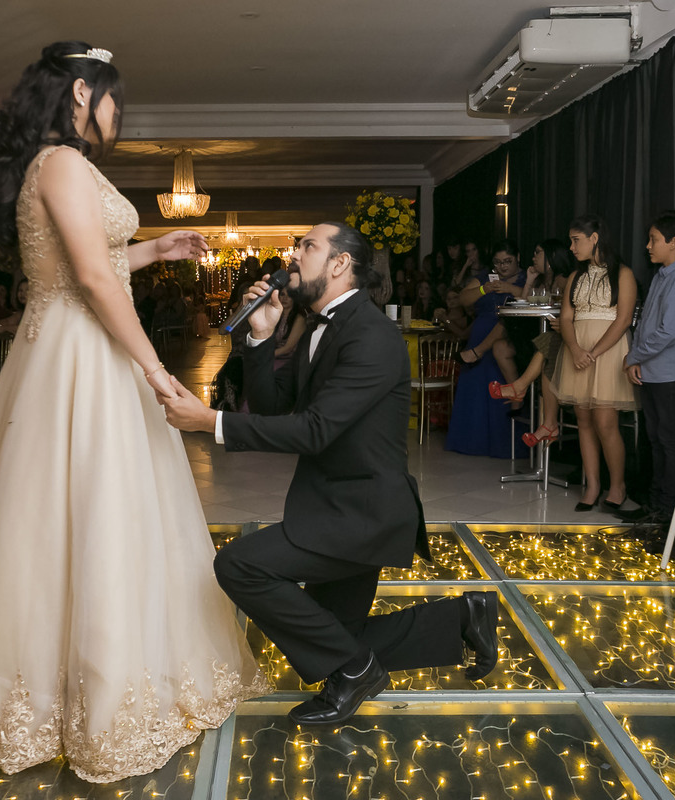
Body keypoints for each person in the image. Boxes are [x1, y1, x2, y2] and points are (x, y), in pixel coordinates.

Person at [0, 41, 267, 783]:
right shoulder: (61, 162)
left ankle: (72, 686)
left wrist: (155, 251)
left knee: (71, 515)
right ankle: (95, 696)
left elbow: (81, 262)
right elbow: (90, 277)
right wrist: (155, 368)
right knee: (97, 510)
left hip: (64, 347)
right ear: (84, 93)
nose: (120, 113)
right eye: (116, 98)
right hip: (81, 357)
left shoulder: (54, 164)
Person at [161, 222, 500, 727]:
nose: (293, 255)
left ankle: (358, 670)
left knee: (239, 566)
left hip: (362, 513)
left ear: (341, 263)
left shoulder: (372, 335)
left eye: (308, 246)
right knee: (339, 638)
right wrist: (261, 336)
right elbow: (276, 407)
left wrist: (211, 422)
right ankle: (460, 620)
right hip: (333, 503)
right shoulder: (321, 326)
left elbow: (315, 431)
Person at [619, 211, 675, 523]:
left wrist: (634, 357)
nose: (648, 246)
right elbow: (645, 324)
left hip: (671, 374)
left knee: (671, 443)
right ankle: (655, 506)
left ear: (674, 242)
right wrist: (636, 358)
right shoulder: (661, 276)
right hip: (652, 371)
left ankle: (668, 512)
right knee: (655, 441)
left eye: (654, 239)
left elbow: (668, 332)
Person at [552, 215, 639, 512]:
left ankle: (618, 486)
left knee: (605, 421)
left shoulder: (623, 274)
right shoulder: (575, 277)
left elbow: (624, 320)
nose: (571, 247)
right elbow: (566, 318)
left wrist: (594, 352)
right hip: (578, 351)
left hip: (609, 351)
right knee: (584, 419)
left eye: (576, 240)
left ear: (595, 238)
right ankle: (592, 485)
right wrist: (576, 349)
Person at [445, 239, 527, 458]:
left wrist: (510, 288)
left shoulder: (526, 278)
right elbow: (463, 299)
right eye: (498, 262)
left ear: (518, 258)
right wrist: (484, 289)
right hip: (480, 332)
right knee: (475, 387)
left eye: (507, 261)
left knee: (497, 379)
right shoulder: (485, 277)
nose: (502, 267)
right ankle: (472, 442)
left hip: (509, 334)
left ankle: (504, 443)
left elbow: (535, 295)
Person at [489, 239, 575, 446]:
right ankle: (522, 391)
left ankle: (520, 388)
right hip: (541, 339)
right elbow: (524, 303)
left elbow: (570, 312)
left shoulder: (565, 281)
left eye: (538, 253)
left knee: (547, 345)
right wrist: (529, 280)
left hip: (561, 341)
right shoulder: (541, 281)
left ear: (551, 257)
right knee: (505, 345)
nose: (533, 257)